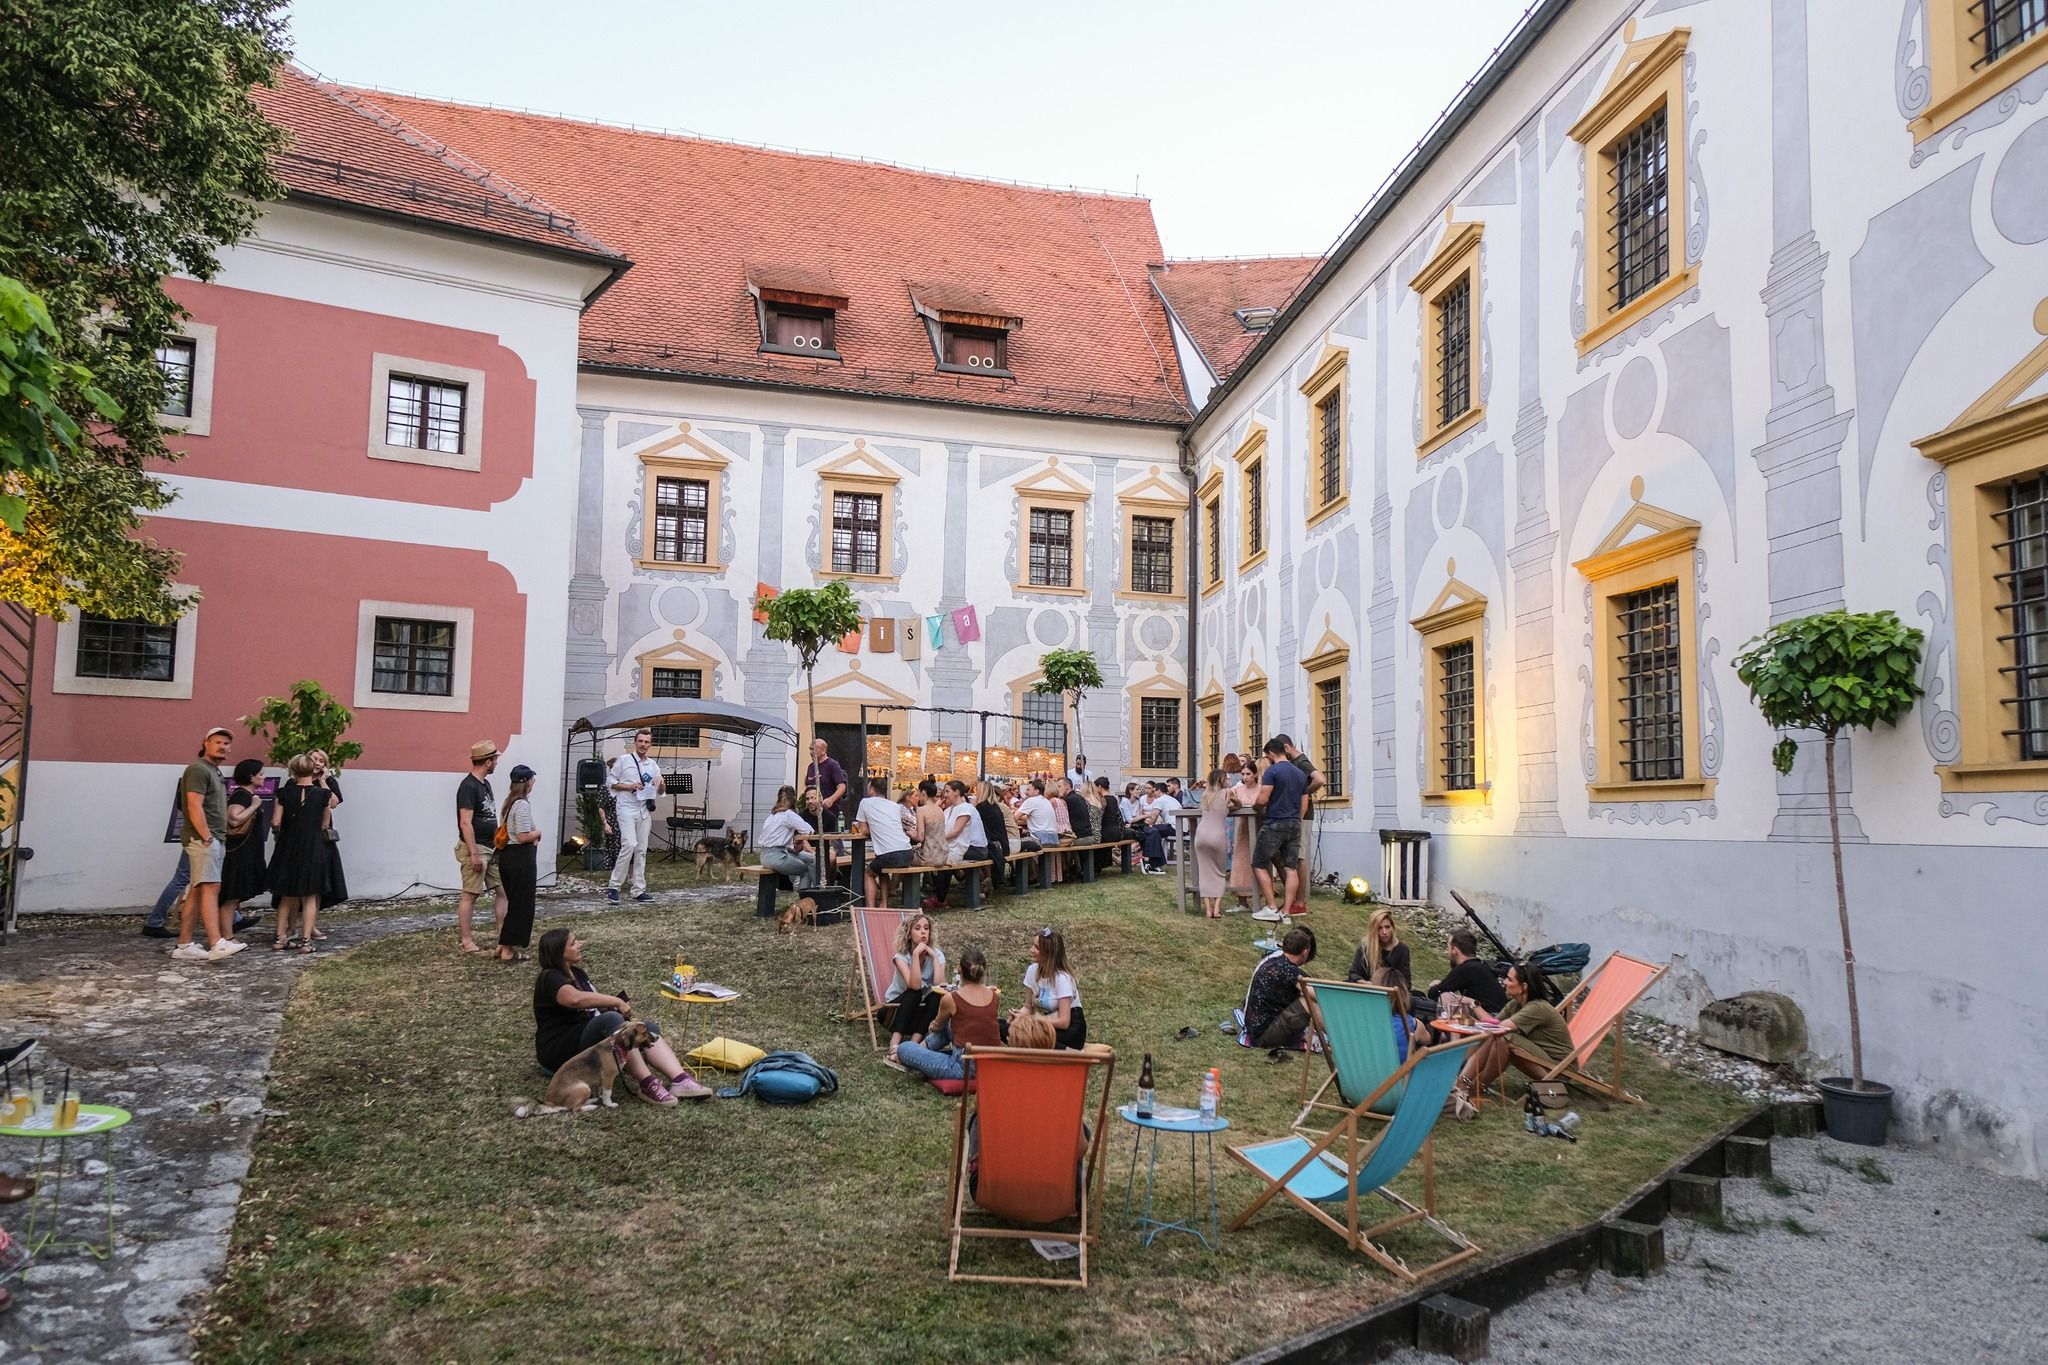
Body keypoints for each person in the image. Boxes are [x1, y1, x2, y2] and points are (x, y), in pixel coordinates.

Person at [532, 928, 709, 1104]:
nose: (580, 944)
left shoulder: (578, 974)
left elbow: (593, 1007)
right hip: (559, 1051)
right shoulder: (549, 977)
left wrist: (611, 1006)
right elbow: (574, 1000)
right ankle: (647, 1084)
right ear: (559, 953)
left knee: (646, 1029)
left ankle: (680, 1080)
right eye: (573, 943)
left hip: (585, 1041)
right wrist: (616, 1003)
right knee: (613, 1021)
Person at [1448, 963, 1572, 1121]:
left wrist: (1472, 1018)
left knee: (1504, 1038)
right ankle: (1461, 1082)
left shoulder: (1537, 1008)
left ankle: (1473, 1087)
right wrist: (1473, 1006)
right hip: (1542, 1058)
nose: (1504, 982)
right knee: (1493, 1036)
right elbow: (1491, 1024)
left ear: (1523, 987)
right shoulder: (1515, 1004)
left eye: (1509, 979)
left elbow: (1499, 1029)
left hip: (1560, 1068)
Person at [172, 726, 243, 962]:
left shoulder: (215, 772)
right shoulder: (198, 770)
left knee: (198, 890)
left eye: (226, 743)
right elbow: (194, 805)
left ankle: (184, 945)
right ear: (206, 743)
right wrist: (206, 836)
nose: (223, 746)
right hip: (205, 838)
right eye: (218, 742)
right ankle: (216, 942)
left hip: (213, 837)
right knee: (212, 887)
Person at [895, 946, 1002, 1084]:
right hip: (991, 1064)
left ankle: (917, 1050)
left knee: (904, 1048)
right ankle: (922, 1049)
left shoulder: (951, 998)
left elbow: (936, 1026)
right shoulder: (994, 995)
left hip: (963, 1068)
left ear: (959, 970)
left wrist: (933, 1024)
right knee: (950, 1026)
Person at [267, 754, 332, 953]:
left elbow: (276, 822)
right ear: (313, 769)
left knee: (287, 895)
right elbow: (325, 823)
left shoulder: (283, 793)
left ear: (292, 770)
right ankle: (305, 941)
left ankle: (280, 937)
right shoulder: (323, 795)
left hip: (288, 845)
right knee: (310, 895)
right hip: (312, 846)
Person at [882, 913, 948, 1069]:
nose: (923, 932)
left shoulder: (937, 955)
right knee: (915, 992)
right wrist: (917, 955)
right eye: (917, 928)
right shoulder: (901, 957)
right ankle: (895, 1041)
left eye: (926, 928)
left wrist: (933, 957)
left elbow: (940, 985)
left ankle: (913, 1045)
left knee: (936, 995)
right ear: (909, 934)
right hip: (893, 1013)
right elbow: (914, 985)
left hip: (918, 1014)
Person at [1250, 737, 1307, 917]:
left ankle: (1271, 907)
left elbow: (1263, 798)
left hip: (1275, 822)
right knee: (1291, 868)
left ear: (1271, 754)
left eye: (1267, 756)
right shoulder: (1299, 773)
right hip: (1295, 824)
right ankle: (1287, 910)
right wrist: (1296, 819)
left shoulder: (1272, 771)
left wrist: (1256, 806)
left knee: (1259, 863)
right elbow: (1304, 803)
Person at [604, 729, 662, 904]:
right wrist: (629, 786)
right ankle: (614, 886)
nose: (643, 745)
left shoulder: (653, 765)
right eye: (640, 741)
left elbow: (661, 790)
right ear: (635, 742)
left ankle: (638, 889)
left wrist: (661, 783)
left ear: (650, 744)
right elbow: (610, 783)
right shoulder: (623, 761)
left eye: (647, 742)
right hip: (626, 808)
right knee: (629, 844)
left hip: (644, 810)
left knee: (641, 850)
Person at [456, 741, 501, 953]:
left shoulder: (485, 784)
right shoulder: (468, 786)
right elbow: (466, 822)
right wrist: (473, 853)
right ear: (488, 761)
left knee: (502, 890)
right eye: (495, 760)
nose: (497, 764)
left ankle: (503, 934)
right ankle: (466, 940)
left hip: (491, 847)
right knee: (471, 894)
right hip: (476, 848)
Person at [1241, 925, 1317, 1050]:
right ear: (1305, 952)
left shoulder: (1273, 961)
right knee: (1310, 1003)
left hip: (1254, 1028)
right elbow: (1318, 995)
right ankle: (1340, 1039)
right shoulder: (1289, 971)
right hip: (1265, 1036)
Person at [217, 758, 270, 935]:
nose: (263, 777)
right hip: (239, 853)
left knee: (235, 896)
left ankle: (230, 929)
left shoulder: (246, 795)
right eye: (260, 774)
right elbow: (234, 818)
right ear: (250, 776)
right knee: (231, 897)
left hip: (247, 852)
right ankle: (227, 936)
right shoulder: (242, 795)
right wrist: (255, 806)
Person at [496, 764, 542, 963]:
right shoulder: (522, 805)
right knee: (521, 905)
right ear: (526, 783)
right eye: (531, 780)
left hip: (508, 856)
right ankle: (508, 949)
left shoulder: (509, 803)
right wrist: (538, 833)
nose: (533, 783)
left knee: (515, 902)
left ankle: (503, 944)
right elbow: (523, 836)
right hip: (520, 858)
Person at [1015, 926, 1085, 1050]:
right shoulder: (1032, 970)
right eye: (1032, 945)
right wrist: (1019, 1016)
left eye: (1037, 947)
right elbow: (1027, 1007)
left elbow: (1064, 1022)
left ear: (1049, 953)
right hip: (1046, 1023)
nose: (1031, 950)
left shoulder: (1062, 979)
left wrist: (1034, 1021)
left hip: (1069, 1029)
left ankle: (1068, 1052)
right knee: (1005, 1027)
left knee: (1030, 1035)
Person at [1275, 735, 1323, 912]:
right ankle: (1293, 898)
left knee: (1299, 857)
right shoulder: (1292, 763)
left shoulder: (1301, 761)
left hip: (1303, 815)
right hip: (1293, 815)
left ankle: (1300, 902)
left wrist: (1305, 792)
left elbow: (1320, 779)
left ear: (1287, 747)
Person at [858, 775, 915, 906]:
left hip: (890, 854)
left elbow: (863, 830)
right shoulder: (894, 806)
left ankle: (870, 908)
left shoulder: (865, 802)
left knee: (869, 873)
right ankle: (884, 903)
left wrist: (874, 829)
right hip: (907, 853)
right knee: (881, 870)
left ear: (871, 789)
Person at [926, 781, 985, 908]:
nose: (944, 795)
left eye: (947, 791)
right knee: (929, 857)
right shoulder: (947, 810)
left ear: (957, 793)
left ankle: (941, 898)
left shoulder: (966, 809)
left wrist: (936, 839)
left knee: (938, 860)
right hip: (947, 846)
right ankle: (941, 895)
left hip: (958, 847)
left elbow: (956, 831)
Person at [1425, 930, 1508, 1020]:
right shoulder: (1479, 965)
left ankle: (1451, 1032)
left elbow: (1435, 993)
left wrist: (1436, 986)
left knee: (1445, 996)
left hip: (1489, 1016)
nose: (1447, 950)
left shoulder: (1466, 968)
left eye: (1448, 946)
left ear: (1455, 950)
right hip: (1500, 1014)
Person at [757, 785, 819, 888]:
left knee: (812, 858)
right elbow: (809, 831)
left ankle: (817, 890)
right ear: (793, 799)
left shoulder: (772, 816)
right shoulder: (788, 815)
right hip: (777, 857)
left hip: (765, 855)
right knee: (806, 869)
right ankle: (811, 896)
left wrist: (796, 844)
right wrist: (800, 839)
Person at [1192, 768, 1232, 918]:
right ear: (1222, 780)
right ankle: (1217, 909)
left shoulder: (1205, 795)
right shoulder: (1228, 793)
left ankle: (1208, 909)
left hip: (1201, 834)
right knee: (1220, 872)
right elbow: (1238, 804)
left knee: (1205, 872)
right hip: (1217, 835)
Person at [1347, 908, 1412, 987]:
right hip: (1368, 989)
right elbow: (1353, 975)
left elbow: (1406, 982)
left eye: (1387, 927)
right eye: (1379, 928)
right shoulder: (1365, 947)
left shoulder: (1402, 950)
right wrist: (1367, 984)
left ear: (1393, 928)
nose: (1384, 932)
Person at [1375, 967, 1425, 1064]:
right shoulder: (1412, 1024)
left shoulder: (1358, 1021)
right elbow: (1427, 1040)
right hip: (1396, 1078)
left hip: (1354, 1076)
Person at [804, 739, 848, 834]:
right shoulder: (811, 767)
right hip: (814, 814)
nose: (811, 752)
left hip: (831, 813)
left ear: (823, 751)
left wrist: (831, 799)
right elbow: (807, 787)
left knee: (834, 842)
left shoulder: (832, 765)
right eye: (810, 749)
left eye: (813, 749)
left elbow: (842, 787)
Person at [974, 780, 1011, 887]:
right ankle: (986, 879)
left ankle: (982, 879)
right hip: (1003, 845)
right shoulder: (995, 806)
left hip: (994, 847)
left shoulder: (981, 807)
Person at [1136, 780, 1178, 874]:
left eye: (1154, 791)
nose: (1153, 793)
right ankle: (1154, 863)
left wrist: (1140, 821)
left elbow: (1152, 819)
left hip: (1174, 827)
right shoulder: (1171, 799)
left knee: (1148, 830)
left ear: (1159, 791)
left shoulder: (1159, 800)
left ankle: (1147, 860)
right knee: (1154, 832)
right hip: (1181, 828)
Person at [1015, 780, 1059, 853]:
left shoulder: (1031, 800)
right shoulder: (1047, 801)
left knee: (1014, 844)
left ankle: (1023, 864)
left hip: (1039, 840)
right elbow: (1037, 818)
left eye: (1028, 790)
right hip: (1054, 840)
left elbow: (1014, 818)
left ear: (1036, 791)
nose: (1025, 792)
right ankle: (1035, 864)